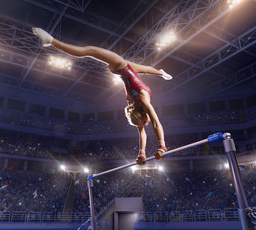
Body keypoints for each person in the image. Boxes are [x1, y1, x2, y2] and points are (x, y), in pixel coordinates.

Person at [32, 27, 172, 165]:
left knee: (143, 69)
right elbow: (155, 123)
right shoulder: (142, 99)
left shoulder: (134, 104)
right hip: (123, 66)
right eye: (143, 123)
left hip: (124, 69)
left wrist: (143, 152)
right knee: (91, 51)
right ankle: (52, 41)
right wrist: (161, 147)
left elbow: (144, 131)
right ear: (141, 115)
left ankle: (160, 72)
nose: (143, 125)